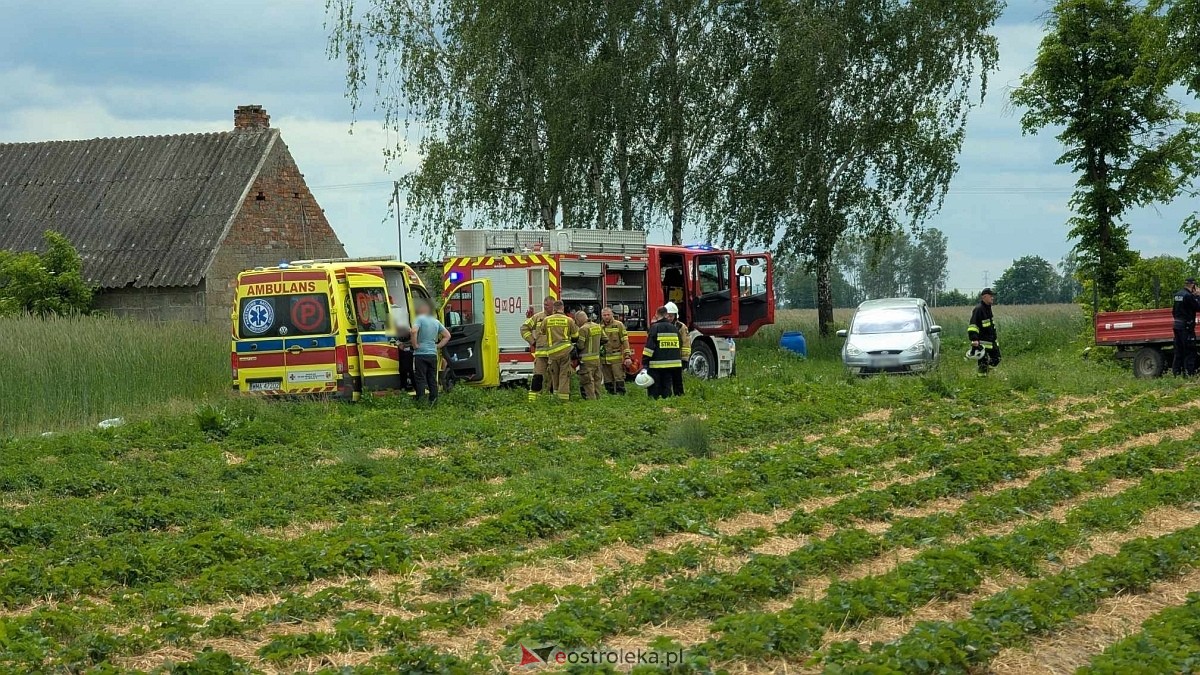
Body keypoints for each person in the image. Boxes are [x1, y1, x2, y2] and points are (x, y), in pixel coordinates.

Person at [410, 301, 450, 404]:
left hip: (420, 354)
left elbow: (413, 331)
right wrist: (437, 346)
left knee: (420, 378)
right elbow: (447, 336)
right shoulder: (436, 322)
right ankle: (433, 401)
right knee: (432, 379)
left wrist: (415, 345)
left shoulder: (419, 319)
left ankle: (421, 402)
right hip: (432, 354)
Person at [540, 300, 578, 401]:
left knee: (554, 376)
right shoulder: (569, 320)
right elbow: (575, 336)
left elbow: (542, 332)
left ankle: (555, 397)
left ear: (554, 308)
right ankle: (563, 400)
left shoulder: (546, 320)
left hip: (552, 353)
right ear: (563, 308)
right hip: (565, 352)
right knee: (564, 376)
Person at [643, 306, 683, 399]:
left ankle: (655, 402)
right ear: (666, 315)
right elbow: (680, 344)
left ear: (657, 314)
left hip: (656, 364)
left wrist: (645, 360)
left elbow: (649, 347)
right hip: (673, 364)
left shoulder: (655, 327)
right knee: (667, 385)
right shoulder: (674, 328)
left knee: (654, 388)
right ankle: (667, 401)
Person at [520, 297, 555, 401]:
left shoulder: (558, 318)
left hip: (554, 354)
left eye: (547, 305)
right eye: (544, 305)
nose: (545, 307)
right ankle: (533, 400)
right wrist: (532, 341)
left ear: (553, 306)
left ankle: (552, 400)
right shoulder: (538, 317)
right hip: (541, 354)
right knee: (537, 378)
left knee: (554, 378)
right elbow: (524, 328)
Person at [600, 307, 633, 395]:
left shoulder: (619, 325)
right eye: (604, 315)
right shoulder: (599, 326)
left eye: (608, 315)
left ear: (612, 315)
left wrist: (627, 356)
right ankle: (610, 396)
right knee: (607, 380)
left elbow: (625, 341)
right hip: (604, 359)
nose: (606, 317)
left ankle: (621, 395)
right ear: (602, 316)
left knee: (619, 378)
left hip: (616, 358)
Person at [1171, 278, 1200, 376]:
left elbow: (1174, 311)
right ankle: (1189, 373)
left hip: (1177, 325)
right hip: (1186, 327)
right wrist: (1198, 296)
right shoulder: (1188, 296)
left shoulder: (1177, 295)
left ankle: (1176, 373)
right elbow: (1198, 307)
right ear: (1192, 285)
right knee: (1190, 351)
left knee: (1178, 351)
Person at [968, 288, 1000, 375]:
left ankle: (986, 370)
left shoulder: (988, 308)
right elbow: (973, 326)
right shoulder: (978, 309)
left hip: (991, 341)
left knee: (997, 359)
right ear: (984, 297)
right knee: (983, 363)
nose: (992, 298)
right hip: (982, 342)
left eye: (993, 296)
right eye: (990, 296)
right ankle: (981, 379)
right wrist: (974, 339)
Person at [664, 301, 691, 395]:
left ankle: (679, 395)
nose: (669, 318)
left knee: (677, 379)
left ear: (675, 315)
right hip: (665, 357)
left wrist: (684, 359)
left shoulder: (681, 327)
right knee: (666, 379)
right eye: (667, 315)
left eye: (671, 316)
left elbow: (686, 343)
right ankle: (666, 395)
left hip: (677, 357)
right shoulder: (661, 326)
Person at [575, 311, 602, 399]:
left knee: (588, 382)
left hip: (586, 361)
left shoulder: (583, 329)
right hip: (597, 360)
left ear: (579, 320)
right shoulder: (597, 326)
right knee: (597, 381)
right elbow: (605, 339)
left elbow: (580, 345)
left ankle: (591, 401)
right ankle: (598, 400)